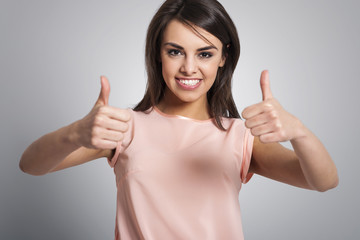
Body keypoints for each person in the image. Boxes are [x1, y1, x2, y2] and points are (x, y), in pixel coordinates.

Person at [19, 0, 339, 239]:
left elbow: (324, 182)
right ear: (158, 54)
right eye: (175, 52)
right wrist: (75, 133)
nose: (189, 67)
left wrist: (299, 132)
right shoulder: (124, 128)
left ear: (223, 57)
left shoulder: (240, 136)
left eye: (204, 53)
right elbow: (30, 166)